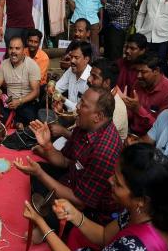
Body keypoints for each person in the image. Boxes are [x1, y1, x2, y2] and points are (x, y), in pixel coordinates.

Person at [23, 143, 168, 251]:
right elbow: (106, 236)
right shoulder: (145, 211)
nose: (109, 180)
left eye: (118, 184)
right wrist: (74, 214)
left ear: (141, 200)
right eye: (114, 174)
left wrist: (40, 222)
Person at [17, 87, 122, 229]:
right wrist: (47, 145)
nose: (77, 106)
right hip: (74, 180)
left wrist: (40, 175)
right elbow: (65, 161)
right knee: (38, 173)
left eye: (83, 105)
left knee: (41, 180)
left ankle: (48, 222)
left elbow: (80, 202)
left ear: (98, 117)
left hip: (89, 209)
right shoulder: (84, 125)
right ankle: (47, 208)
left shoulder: (104, 152)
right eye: (80, 101)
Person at [120, 53, 168, 136]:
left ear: (156, 71)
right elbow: (130, 113)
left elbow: (160, 128)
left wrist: (138, 109)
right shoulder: (139, 83)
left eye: (143, 72)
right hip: (131, 132)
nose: (138, 76)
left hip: (151, 139)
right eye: (137, 71)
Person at [0, 36, 40, 126]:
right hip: (9, 102)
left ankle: (15, 123)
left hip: (26, 101)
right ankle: (15, 123)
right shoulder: (4, 64)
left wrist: (19, 101)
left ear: (23, 50)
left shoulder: (32, 65)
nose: (13, 51)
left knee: (30, 118)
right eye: (11, 48)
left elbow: (36, 92)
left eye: (17, 48)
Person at [87, 58, 128, 140]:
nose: (89, 79)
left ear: (107, 83)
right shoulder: (96, 93)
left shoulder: (117, 108)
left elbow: (96, 138)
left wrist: (65, 132)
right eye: (90, 75)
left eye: (94, 77)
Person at [54, 41, 92, 112]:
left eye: (76, 57)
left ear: (86, 59)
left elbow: (82, 109)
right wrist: (51, 88)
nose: (72, 61)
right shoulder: (71, 70)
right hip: (69, 116)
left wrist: (63, 99)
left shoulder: (91, 78)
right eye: (71, 57)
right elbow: (56, 88)